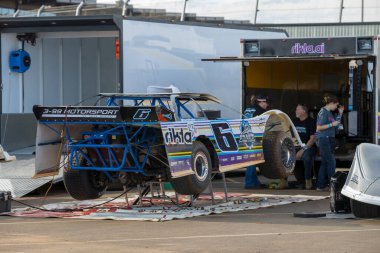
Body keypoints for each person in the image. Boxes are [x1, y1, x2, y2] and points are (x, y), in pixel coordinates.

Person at [316, 94, 344, 191]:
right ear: (331, 103)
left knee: (325, 162)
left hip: (327, 139)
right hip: (324, 139)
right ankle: (332, 186)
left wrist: (340, 113)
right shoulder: (323, 112)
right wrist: (331, 124)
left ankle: (320, 185)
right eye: (336, 105)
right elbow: (318, 127)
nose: (336, 107)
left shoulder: (328, 113)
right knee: (331, 162)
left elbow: (336, 125)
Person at [244, 94, 269, 189]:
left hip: (245, 135)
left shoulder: (248, 109)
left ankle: (255, 182)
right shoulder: (261, 111)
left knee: (252, 160)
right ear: (261, 102)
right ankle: (250, 183)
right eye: (266, 102)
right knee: (252, 161)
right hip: (254, 137)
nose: (267, 105)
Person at [293, 104, 317, 190]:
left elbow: (313, 138)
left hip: (309, 146)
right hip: (296, 147)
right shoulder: (294, 121)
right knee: (285, 156)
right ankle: (283, 181)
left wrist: (303, 150)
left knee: (306, 157)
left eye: (298, 109)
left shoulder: (311, 122)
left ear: (304, 111)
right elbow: (290, 136)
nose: (296, 111)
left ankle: (308, 181)